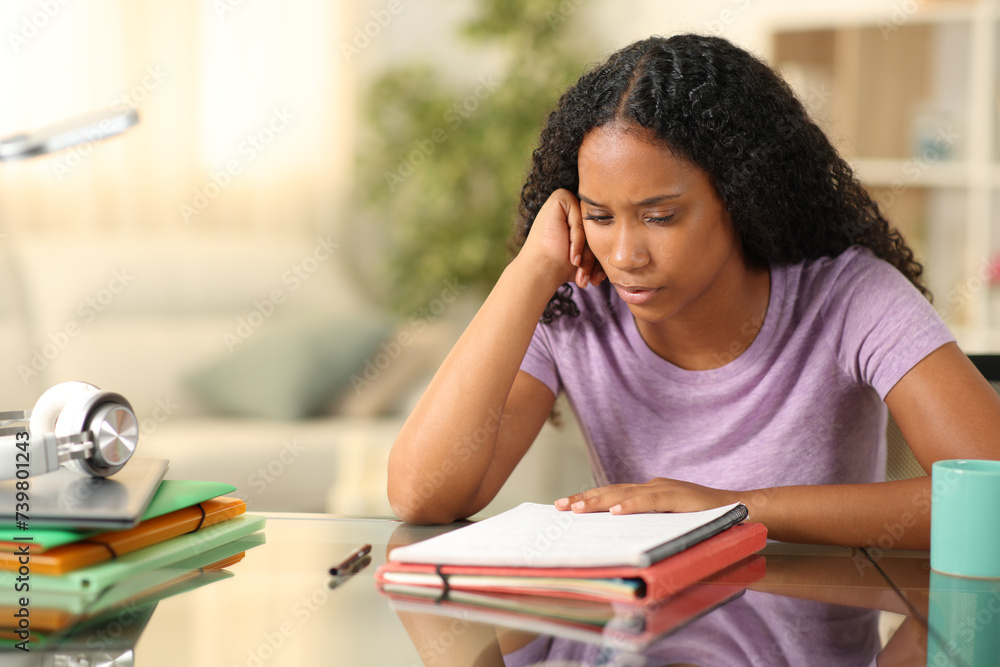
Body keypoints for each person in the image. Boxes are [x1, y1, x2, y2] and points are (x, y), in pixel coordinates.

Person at [387, 33, 1000, 549]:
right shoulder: (576, 306)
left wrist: (732, 509)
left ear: (742, 198)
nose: (625, 255)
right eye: (600, 216)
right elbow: (422, 495)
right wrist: (528, 270)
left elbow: (991, 498)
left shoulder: (849, 297)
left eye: (660, 216)